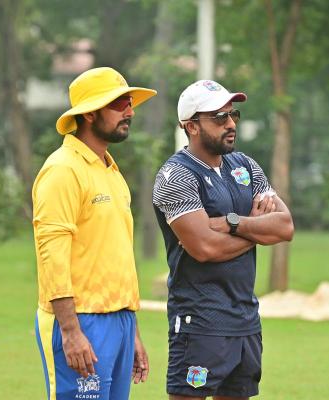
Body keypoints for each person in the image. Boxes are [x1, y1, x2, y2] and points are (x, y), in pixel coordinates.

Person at [152, 80, 294, 399]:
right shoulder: (176, 177)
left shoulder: (245, 166)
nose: (230, 124)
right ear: (191, 126)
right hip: (200, 324)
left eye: (232, 115)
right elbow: (204, 248)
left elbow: (284, 227)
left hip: (245, 321)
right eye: (219, 118)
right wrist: (257, 228)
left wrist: (232, 223)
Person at [33, 67, 156, 400]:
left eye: (129, 103)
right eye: (118, 104)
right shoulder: (62, 170)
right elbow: (52, 256)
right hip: (80, 321)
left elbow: (115, 257)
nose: (129, 111)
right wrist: (71, 331)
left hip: (119, 321)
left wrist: (132, 331)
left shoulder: (110, 170)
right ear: (89, 113)